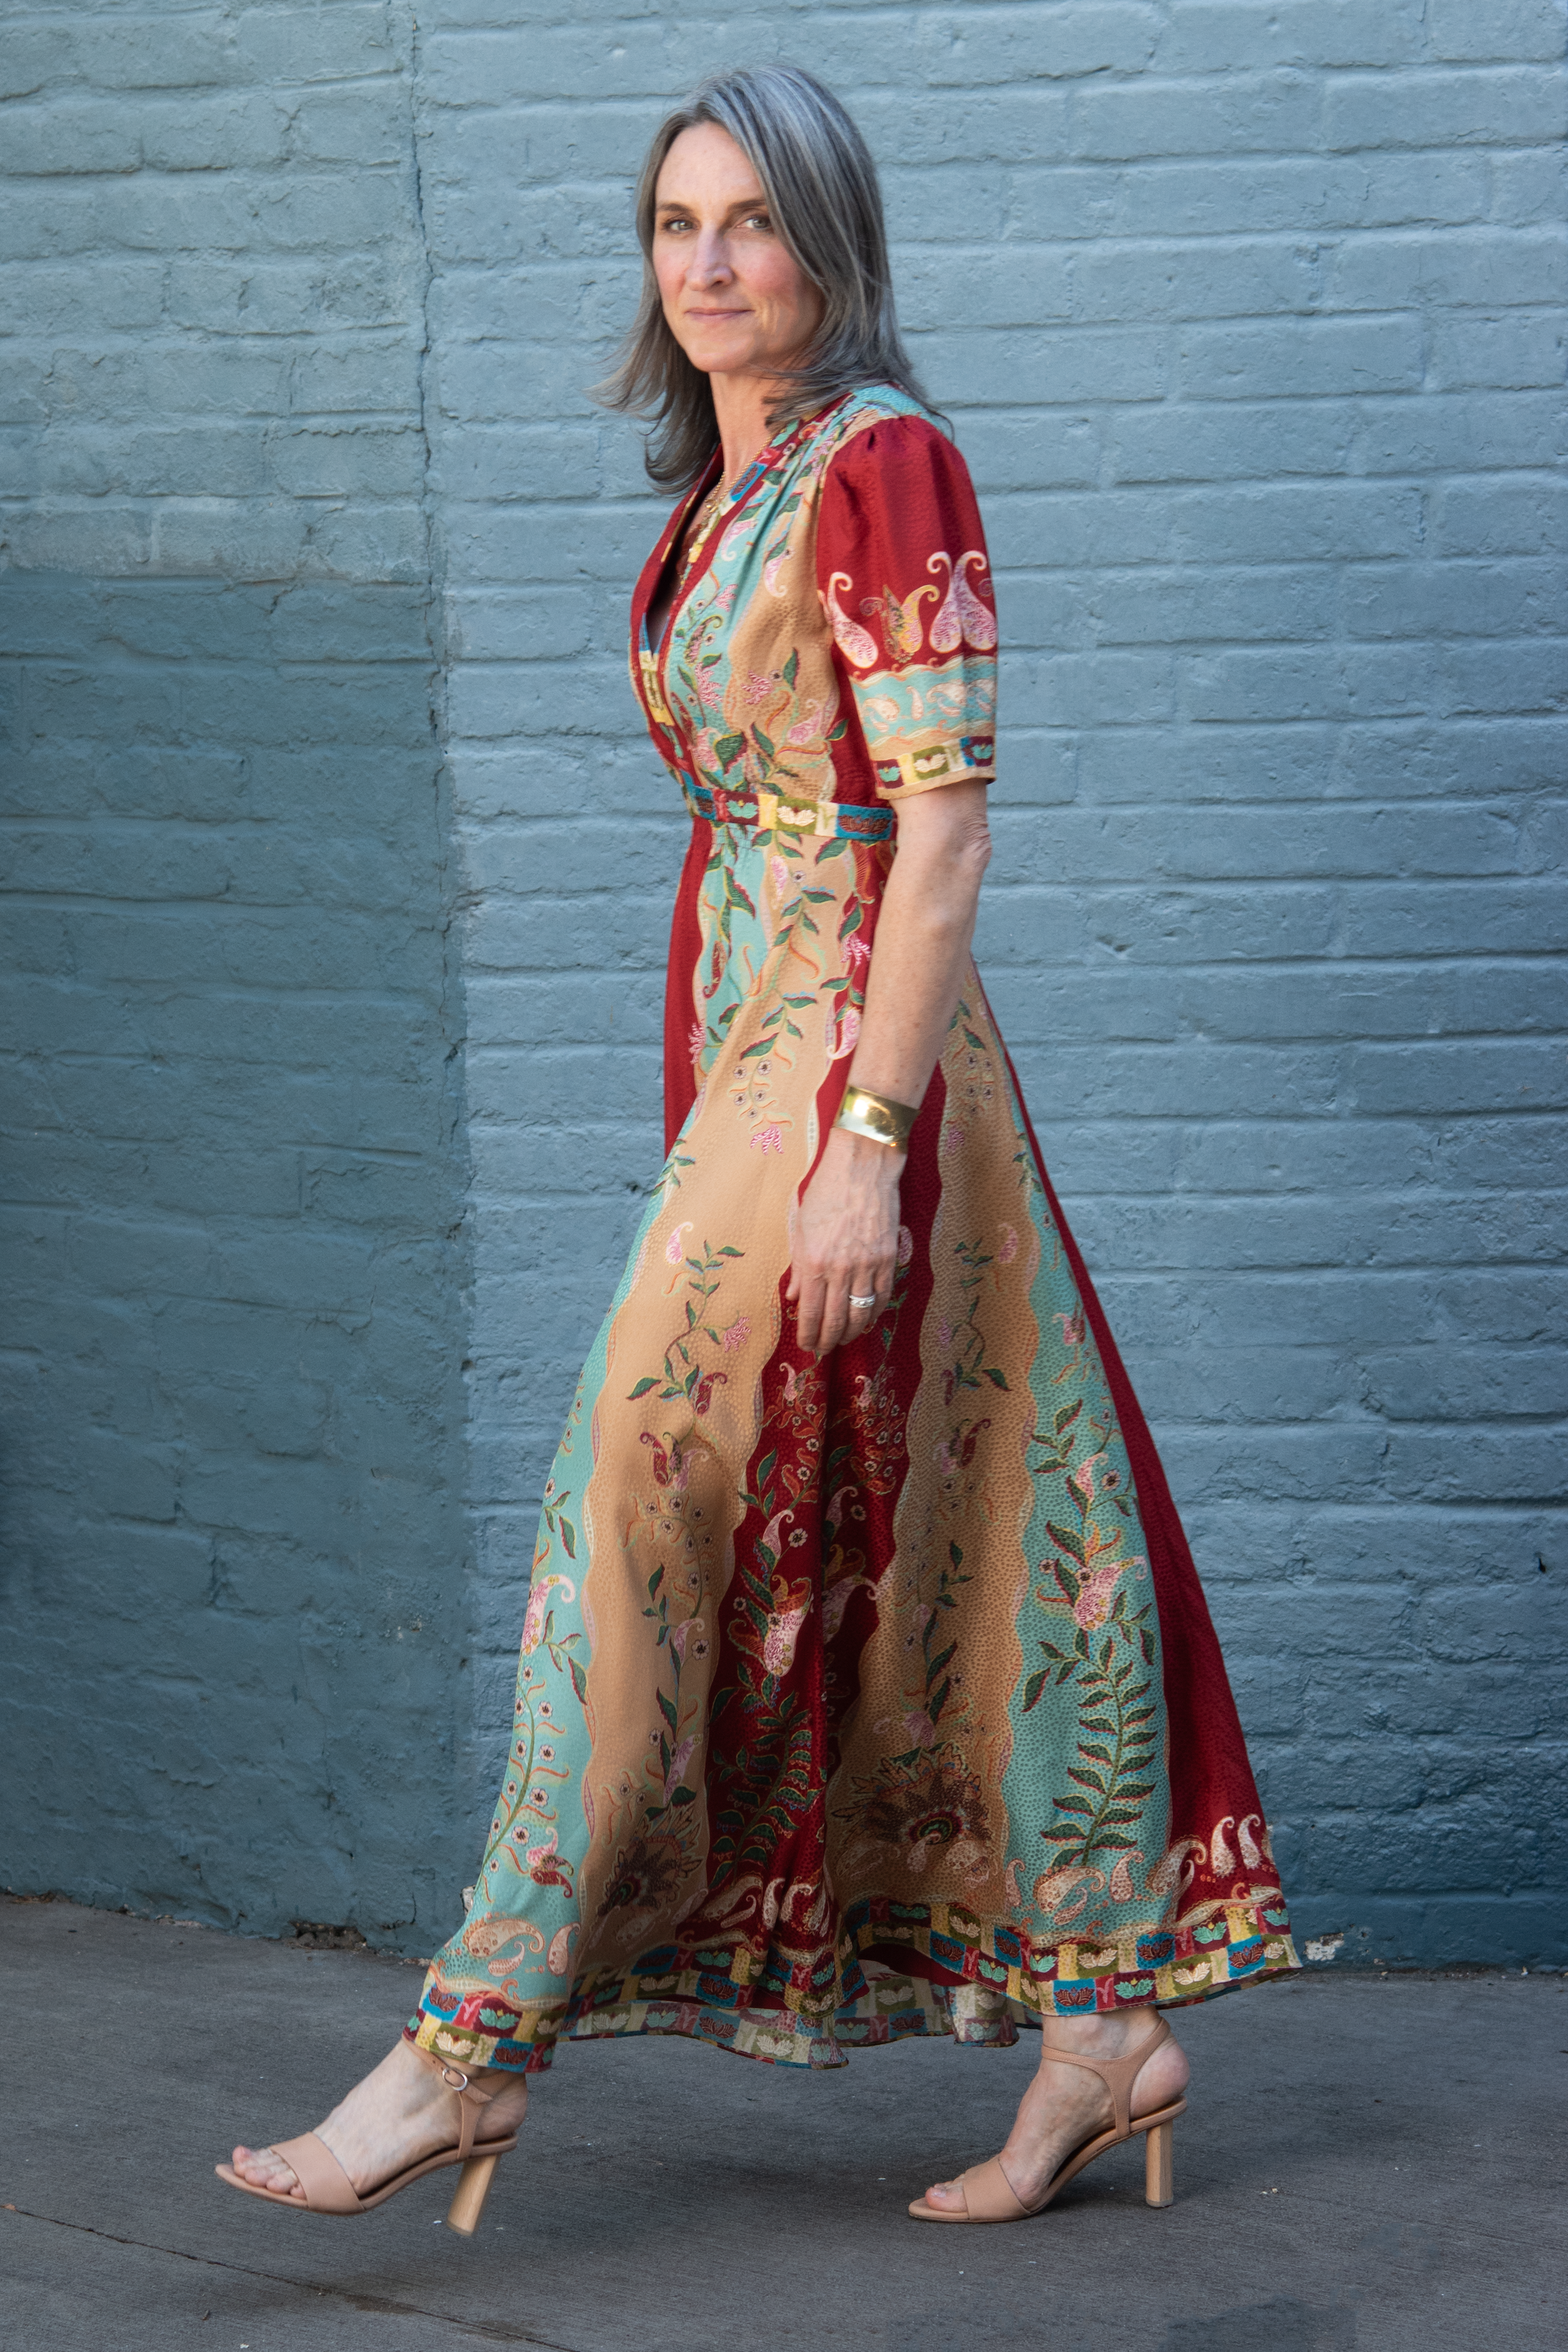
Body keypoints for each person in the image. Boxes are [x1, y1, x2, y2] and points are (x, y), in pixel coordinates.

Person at [220, 61, 1296, 2234]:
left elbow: (948, 831)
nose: (709, 265)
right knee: (974, 1505)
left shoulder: (886, 467)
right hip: (752, 1038)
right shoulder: (737, 480)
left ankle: (466, 2048)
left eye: (754, 222)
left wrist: (868, 1141)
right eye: (675, 224)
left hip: (845, 1051)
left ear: (833, 243)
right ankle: (1103, 2028)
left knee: (627, 1484)